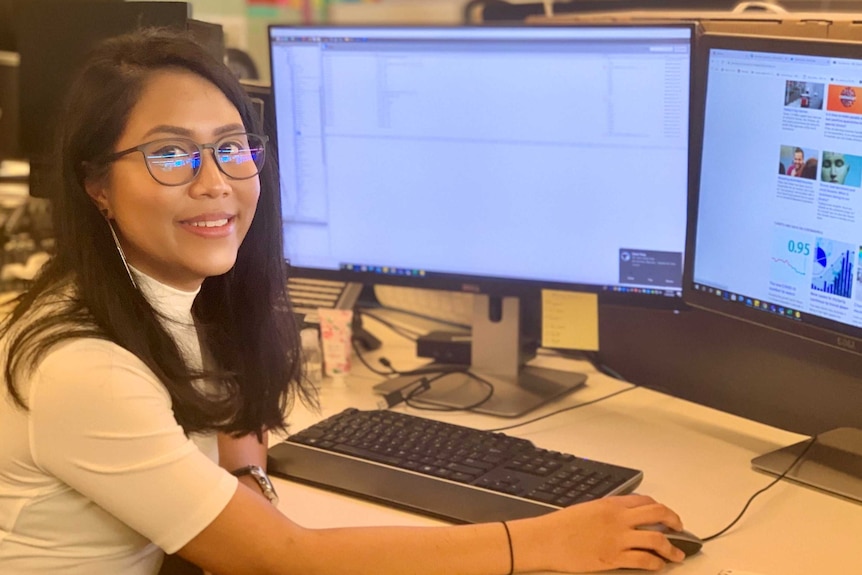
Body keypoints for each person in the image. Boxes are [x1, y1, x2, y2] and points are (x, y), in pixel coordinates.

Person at [0, 28, 687, 574]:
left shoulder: (160, 299)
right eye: (170, 156)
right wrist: (546, 541)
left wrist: (245, 478)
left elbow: (229, 432)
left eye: (231, 148)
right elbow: (282, 558)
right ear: (96, 185)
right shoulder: (82, 365)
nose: (215, 182)